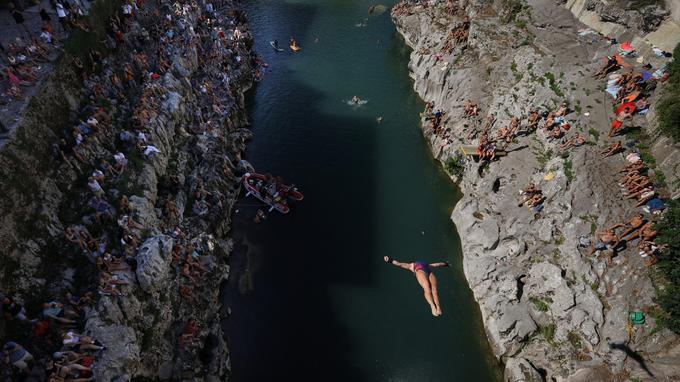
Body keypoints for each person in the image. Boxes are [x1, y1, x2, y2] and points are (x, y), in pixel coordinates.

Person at [383, 256, 450, 316]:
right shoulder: (411, 266)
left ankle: (438, 307)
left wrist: (446, 264)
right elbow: (399, 264)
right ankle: (432, 306)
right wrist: (390, 260)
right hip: (420, 272)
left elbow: (437, 264)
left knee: (434, 290)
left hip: (428, 271)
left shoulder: (428, 265)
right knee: (427, 288)